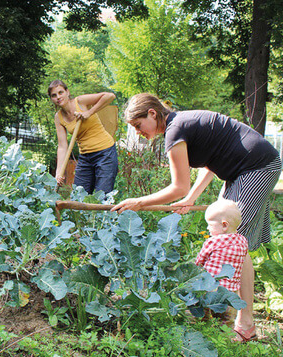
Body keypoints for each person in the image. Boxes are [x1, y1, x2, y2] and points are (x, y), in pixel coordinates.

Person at [112, 93, 281, 342]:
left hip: (257, 166)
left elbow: (177, 187)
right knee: (237, 242)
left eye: (138, 126)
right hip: (241, 170)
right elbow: (213, 160)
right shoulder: (183, 123)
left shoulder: (174, 130)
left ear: (152, 113)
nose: (138, 132)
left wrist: (139, 202)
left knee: (233, 239)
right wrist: (192, 197)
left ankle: (243, 322)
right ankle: (230, 315)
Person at [48, 80, 118, 194]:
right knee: (79, 196)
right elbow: (62, 146)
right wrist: (58, 172)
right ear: (51, 99)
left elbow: (110, 96)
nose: (58, 97)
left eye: (61, 92)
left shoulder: (80, 102)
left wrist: (89, 112)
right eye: (54, 95)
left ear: (67, 92)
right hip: (85, 158)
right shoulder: (58, 117)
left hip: (105, 153)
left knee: (102, 197)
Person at [195, 199, 248, 327]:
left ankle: (204, 333)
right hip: (231, 293)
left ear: (224, 225)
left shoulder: (213, 241)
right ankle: (226, 342)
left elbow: (200, 260)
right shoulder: (243, 240)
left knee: (202, 316)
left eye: (210, 224)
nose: (207, 228)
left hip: (211, 288)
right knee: (226, 322)